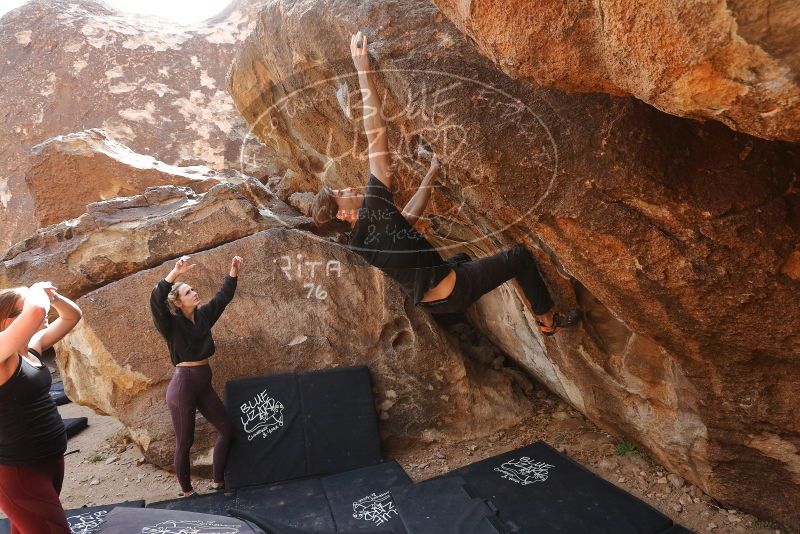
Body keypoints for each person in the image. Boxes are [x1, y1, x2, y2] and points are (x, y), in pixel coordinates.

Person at [310, 32, 579, 335]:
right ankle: (547, 320)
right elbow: (376, 137)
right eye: (340, 194)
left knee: (463, 258)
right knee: (518, 258)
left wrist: (430, 174)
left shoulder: (358, 241)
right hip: (454, 288)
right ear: (344, 215)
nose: (347, 189)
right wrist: (363, 72)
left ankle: (475, 309)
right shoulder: (371, 209)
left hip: (437, 301)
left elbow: (406, 220)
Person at [150, 255, 242, 496]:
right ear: (178, 302)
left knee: (227, 430)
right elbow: (156, 299)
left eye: (193, 289)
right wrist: (174, 274)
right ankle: (187, 492)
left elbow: (223, 297)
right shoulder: (169, 324)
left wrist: (233, 271)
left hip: (202, 384)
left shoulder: (203, 316)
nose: (194, 292)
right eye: (189, 291)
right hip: (183, 386)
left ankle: (218, 482)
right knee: (185, 442)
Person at [0, 281, 83, 533]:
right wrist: (35, 289)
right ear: (6, 321)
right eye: (22, 308)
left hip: (50, 458)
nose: (43, 310)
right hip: (19, 472)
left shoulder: (31, 347)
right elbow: (36, 309)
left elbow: (73, 315)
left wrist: (54, 296)